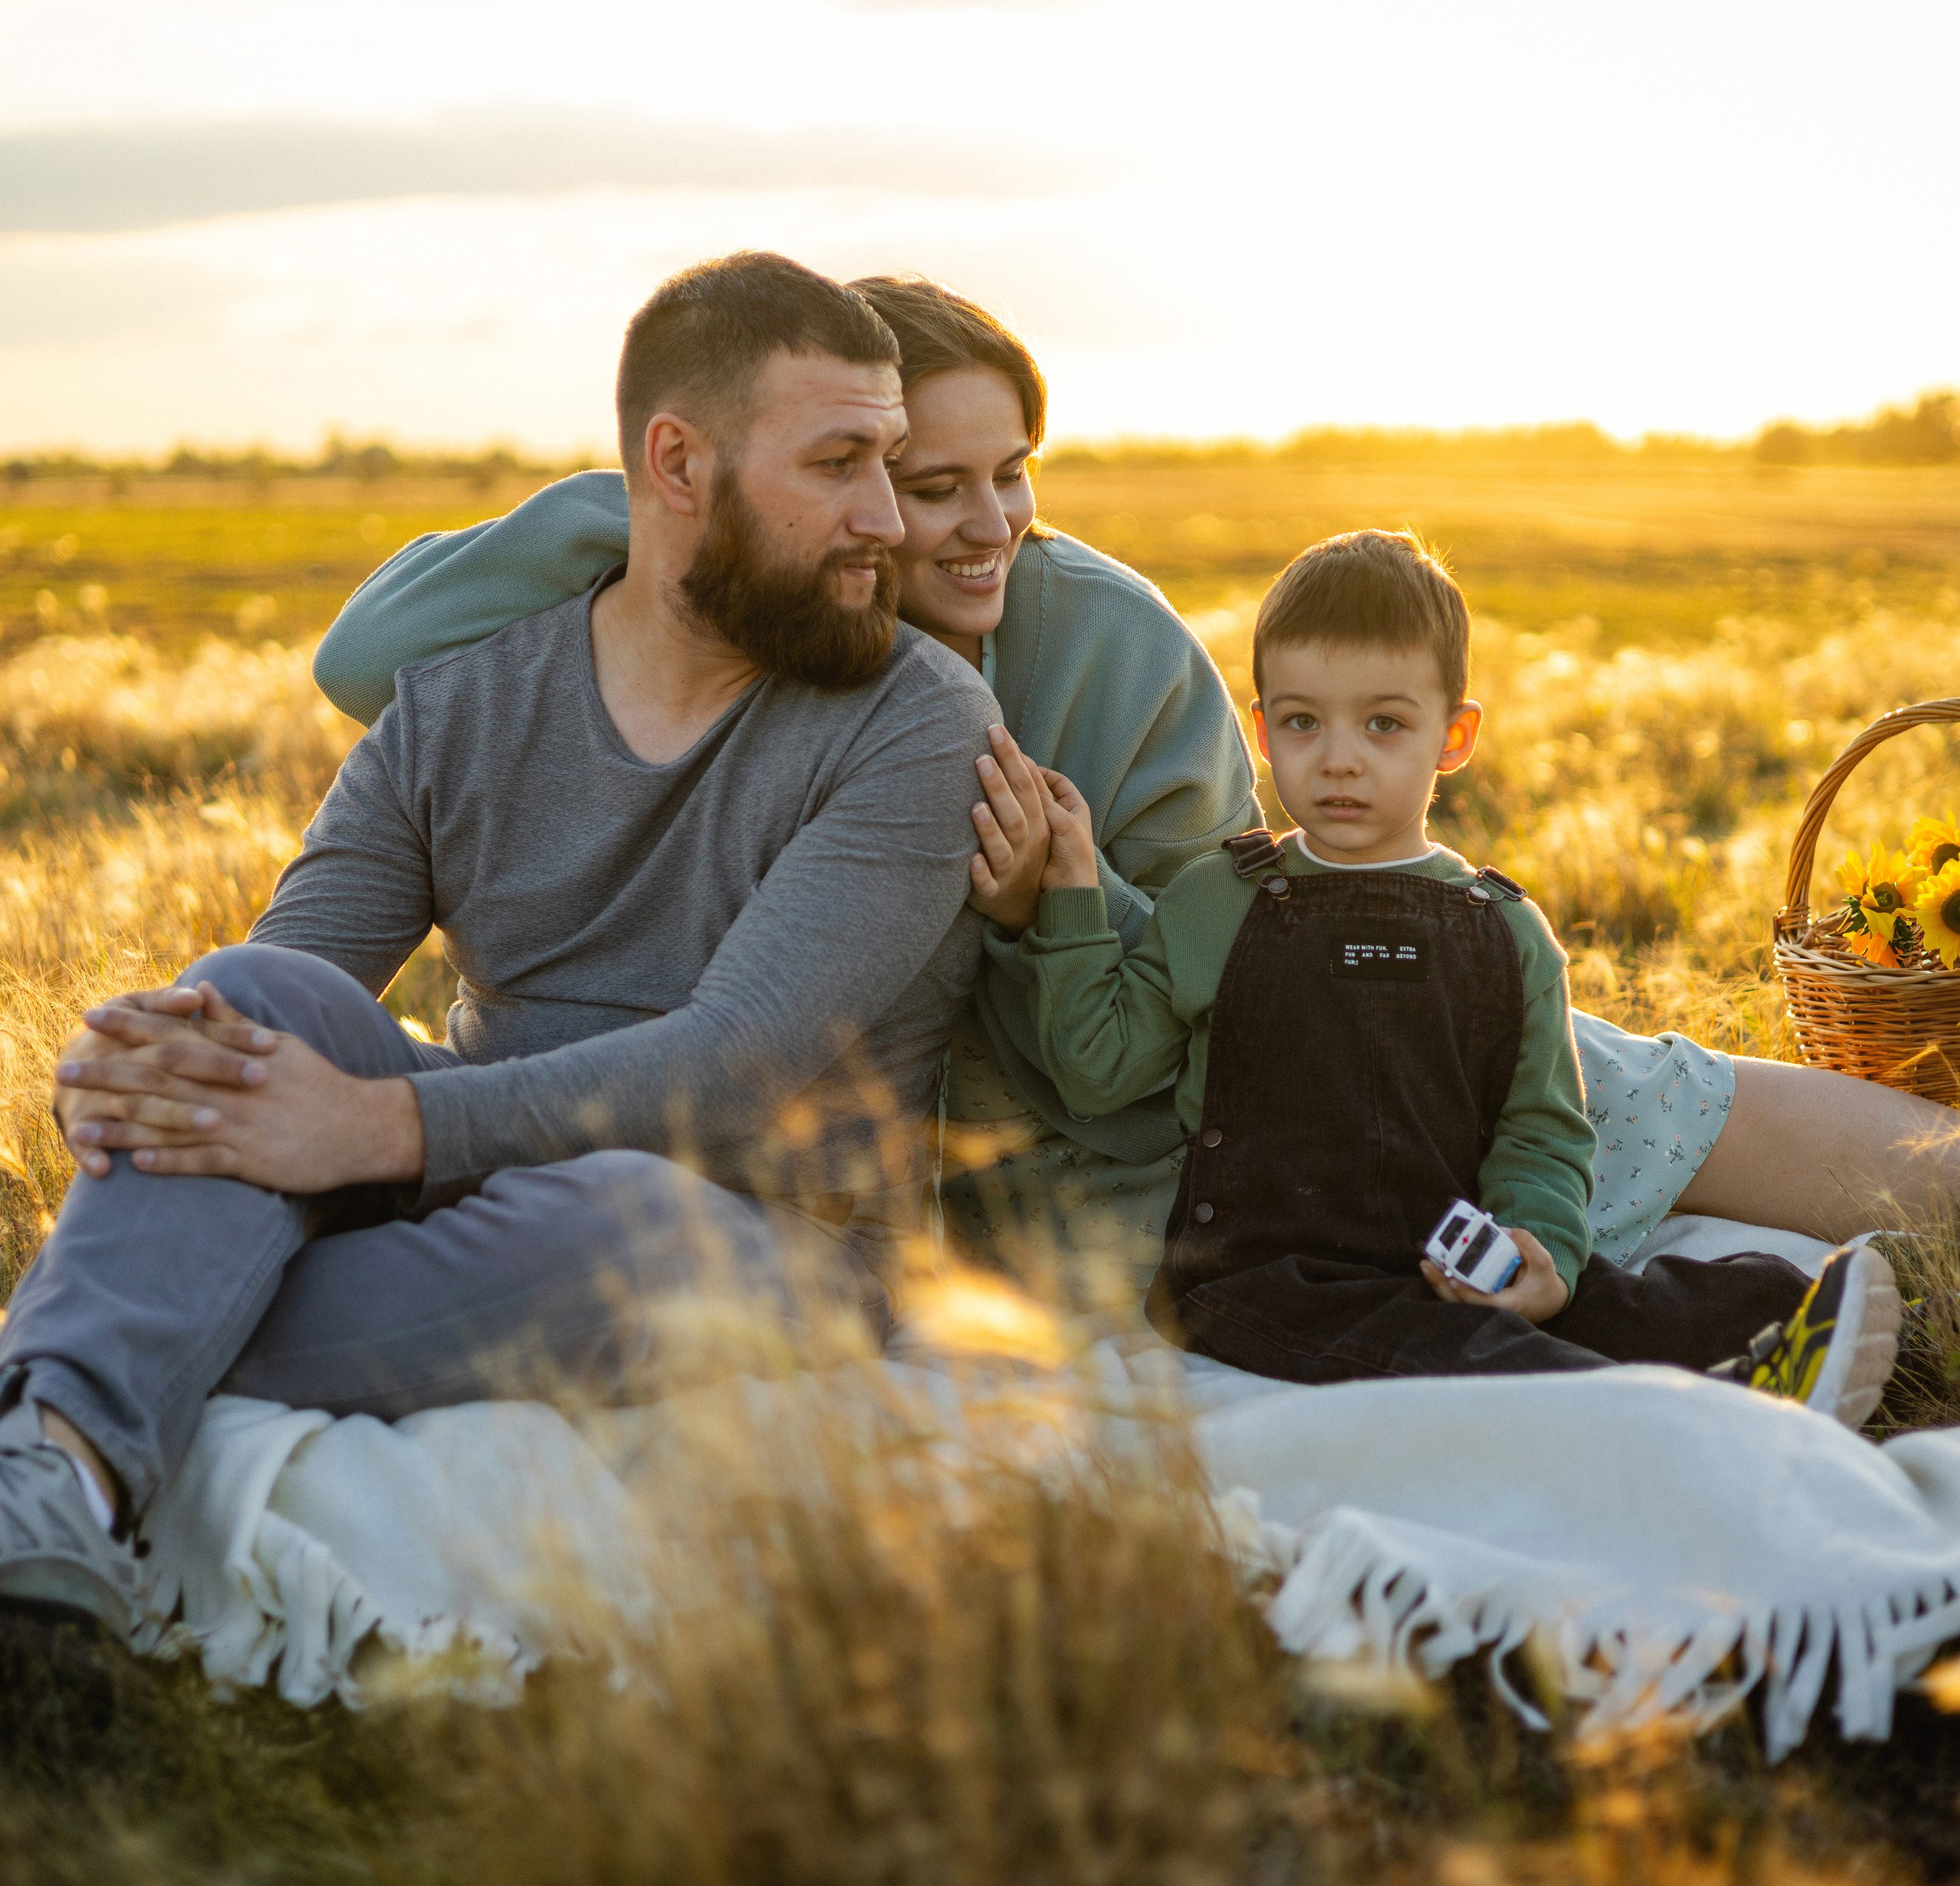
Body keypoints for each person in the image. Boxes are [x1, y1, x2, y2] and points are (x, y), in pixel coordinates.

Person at [311, 279, 1960, 1284]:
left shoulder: (1097, 639)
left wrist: (1057, 909)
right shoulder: (760, 604)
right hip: (894, 1150)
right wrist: (652, 507)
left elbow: (1207, 1001)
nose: (982, 525)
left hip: (1256, 1040)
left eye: (1012, 473)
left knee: (1636, 1100)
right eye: (920, 479)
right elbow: (366, 653)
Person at [0, 252, 1000, 1640]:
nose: (887, 519)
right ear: (678, 464)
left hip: (771, 1241)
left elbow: (726, 1070)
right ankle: (49, 1494)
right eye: (840, 464)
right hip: (469, 1192)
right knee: (250, 991)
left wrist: (367, 1128)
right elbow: (287, 992)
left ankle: (77, 1376)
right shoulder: (469, 700)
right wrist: (145, 1065)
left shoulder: (916, 722)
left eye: (889, 464)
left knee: (617, 1217)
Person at [1018, 531, 1904, 1422]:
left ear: (1454, 735)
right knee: (1449, 1351)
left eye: (1383, 724)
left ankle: (1797, 1321)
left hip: (1448, 1252)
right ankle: (1688, 1414)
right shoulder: (1217, 899)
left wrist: (1541, 1252)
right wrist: (1066, 902)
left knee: (1613, 1298)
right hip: (1261, 1277)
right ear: (1260, 730)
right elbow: (1098, 1067)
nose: (1338, 758)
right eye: (1301, 721)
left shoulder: (1502, 928)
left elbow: (1541, 1130)